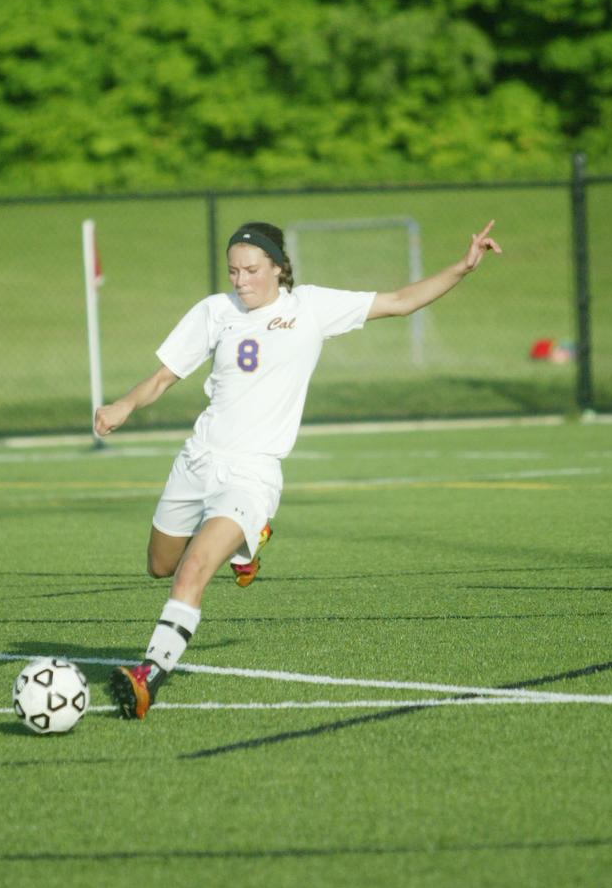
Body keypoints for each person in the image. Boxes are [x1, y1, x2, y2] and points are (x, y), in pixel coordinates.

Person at [94, 219, 502, 719]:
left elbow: (400, 301)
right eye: (233, 271)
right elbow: (162, 377)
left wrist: (463, 267)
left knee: (194, 570)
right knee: (161, 566)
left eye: (251, 270)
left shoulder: (310, 308)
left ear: (278, 268)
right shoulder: (215, 311)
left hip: (251, 475)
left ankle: (148, 676)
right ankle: (247, 540)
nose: (241, 280)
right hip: (196, 461)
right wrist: (124, 405)